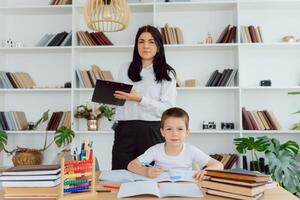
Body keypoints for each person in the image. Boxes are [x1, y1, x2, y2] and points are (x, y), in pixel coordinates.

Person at [112, 25, 177, 170]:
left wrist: (140, 99)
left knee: (151, 176)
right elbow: (119, 99)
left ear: (159, 46)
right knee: (119, 175)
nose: (145, 46)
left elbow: (167, 110)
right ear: (136, 45)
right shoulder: (125, 67)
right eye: (141, 41)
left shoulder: (167, 73)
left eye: (151, 41)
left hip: (151, 131)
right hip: (124, 130)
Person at [127, 107, 224, 181]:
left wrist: (206, 171)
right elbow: (131, 165)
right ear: (162, 132)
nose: (174, 133)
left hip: (186, 188)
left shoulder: (191, 150)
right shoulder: (155, 150)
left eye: (180, 129)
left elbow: (218, 165)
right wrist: (146, 171)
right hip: (160, 188)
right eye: (169, 129)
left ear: (187, 132)